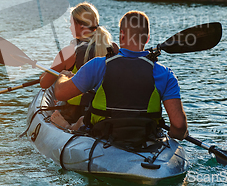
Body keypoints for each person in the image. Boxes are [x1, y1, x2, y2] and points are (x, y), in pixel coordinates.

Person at [53, 10, 189, 140]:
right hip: (145, 138)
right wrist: (174, 134)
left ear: (122, 35)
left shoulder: (98, 65)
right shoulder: (165, 74)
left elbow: (60, 94)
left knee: (82, 120)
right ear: (147, 39)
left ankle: (66, 126)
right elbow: (179, 126)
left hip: (102, 135)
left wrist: (63, 77)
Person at [39, 2, 118, 126]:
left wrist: (47, 76)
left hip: (74, 113)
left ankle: (69, 125)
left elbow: (44, 84)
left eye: (71, 23)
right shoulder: (113, 48)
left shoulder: (69, 51)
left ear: (80, 26)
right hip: (102, 111)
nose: (70, 27)